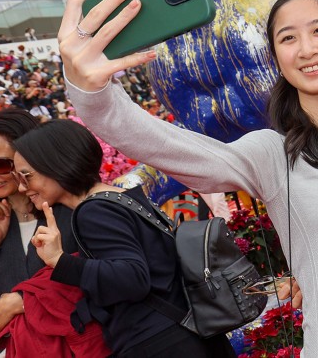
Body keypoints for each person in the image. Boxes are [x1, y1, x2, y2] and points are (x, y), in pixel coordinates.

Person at [58, 0, 318, 358]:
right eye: (288, 38)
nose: (307, 49)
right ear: (276, 57)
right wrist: (92, 91)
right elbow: (162, 144)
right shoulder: (272, 153)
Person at [12, 120, 226, 357]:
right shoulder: (122, 198)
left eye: (25, 176)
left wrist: (59, 260)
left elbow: (132, 278)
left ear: (55, 164)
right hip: (187, 332)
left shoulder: (94, 211)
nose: (21, 188)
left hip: (159, 343)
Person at [0, 108, 74, 357]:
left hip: (70, 347)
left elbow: (100, 280)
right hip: (8, 349)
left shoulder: (69, 211)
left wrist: (25, 300)